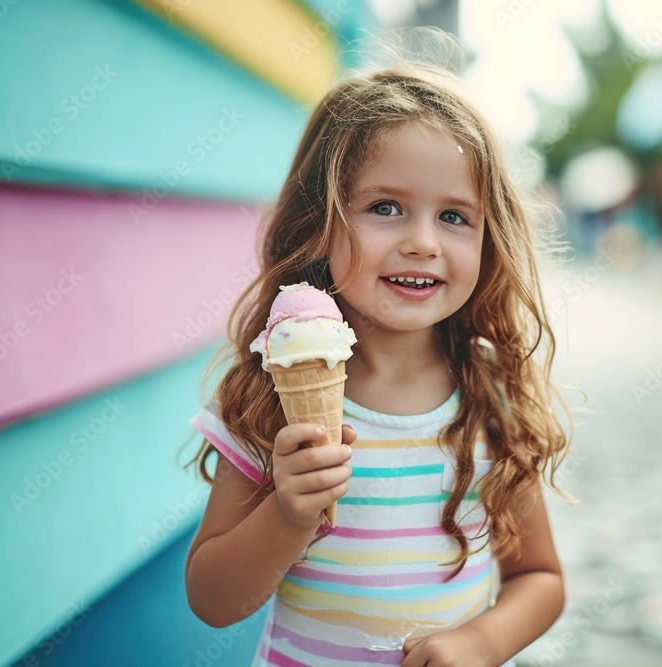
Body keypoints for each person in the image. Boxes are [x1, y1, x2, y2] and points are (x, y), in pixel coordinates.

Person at [185, 34, 575, 667]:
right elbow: (213, 598)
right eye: (385, 207)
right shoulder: (268, 398)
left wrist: (479, 641)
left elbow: (541, 578)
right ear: (319, 226)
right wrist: (287, 513)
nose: (423, 242)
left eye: (454, 217)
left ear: (489, 239)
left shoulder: (490, 399)